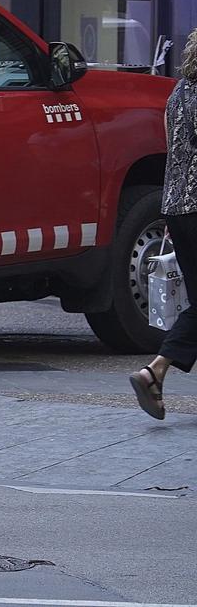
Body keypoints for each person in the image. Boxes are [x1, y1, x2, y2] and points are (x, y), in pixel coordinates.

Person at [131, 28, 197, 419]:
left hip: (177, 208)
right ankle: (155, 369)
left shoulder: (180, 93)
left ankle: (155, 373)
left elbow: (176, 155)